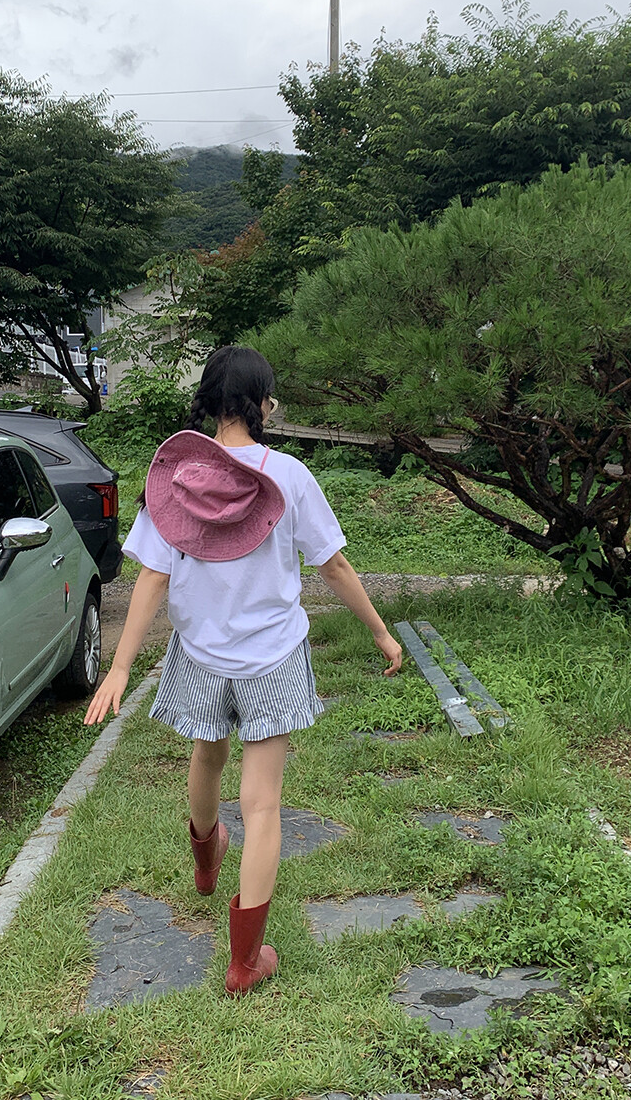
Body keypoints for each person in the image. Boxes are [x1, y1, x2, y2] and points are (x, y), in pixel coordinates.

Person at [84, 346, 402, 996]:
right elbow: (333, 565)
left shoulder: (176, 478)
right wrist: (379, 629)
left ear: (207, 401)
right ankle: (244, 962)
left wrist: (119, 668)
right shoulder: (289, 476)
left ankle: (206, 863)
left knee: (207, 755)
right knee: (262, 804)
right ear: (264, 404)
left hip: (200, 654)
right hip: (272, 657)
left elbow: (151, 577)